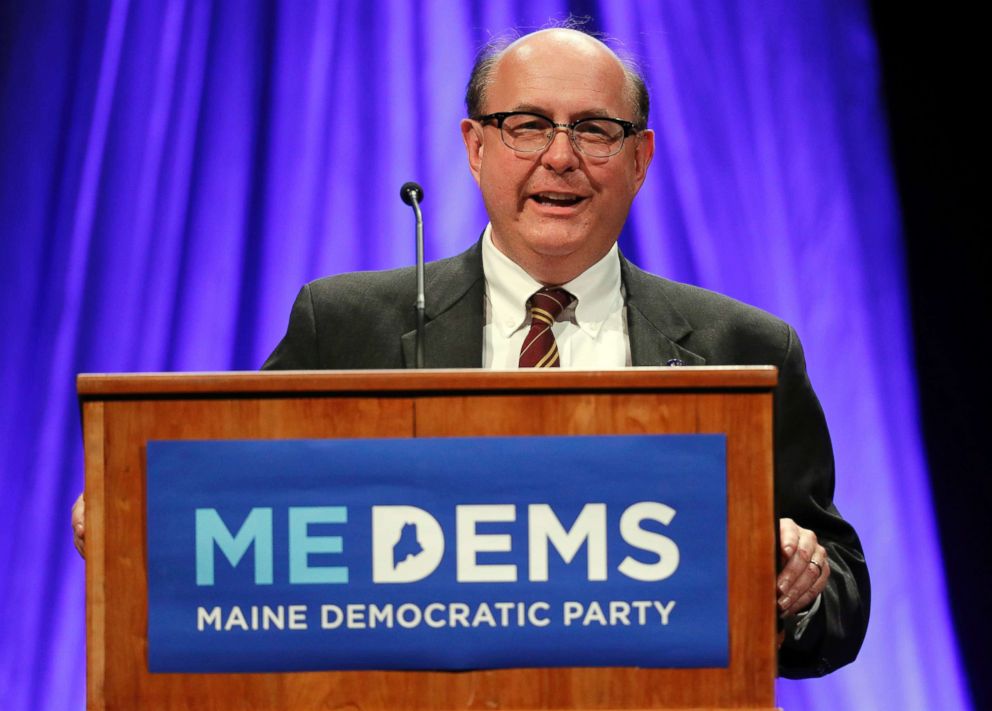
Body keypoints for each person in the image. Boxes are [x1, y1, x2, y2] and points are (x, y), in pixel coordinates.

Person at [73, 27, 868, 679]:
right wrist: (140, 518)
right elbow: (243, 508)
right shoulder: (347, 327)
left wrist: (797, 588)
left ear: (640, 158)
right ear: (475, 146)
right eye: (527, 124)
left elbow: (840, 598)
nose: (560, 156)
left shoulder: (744, 349)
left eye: (594, 129)